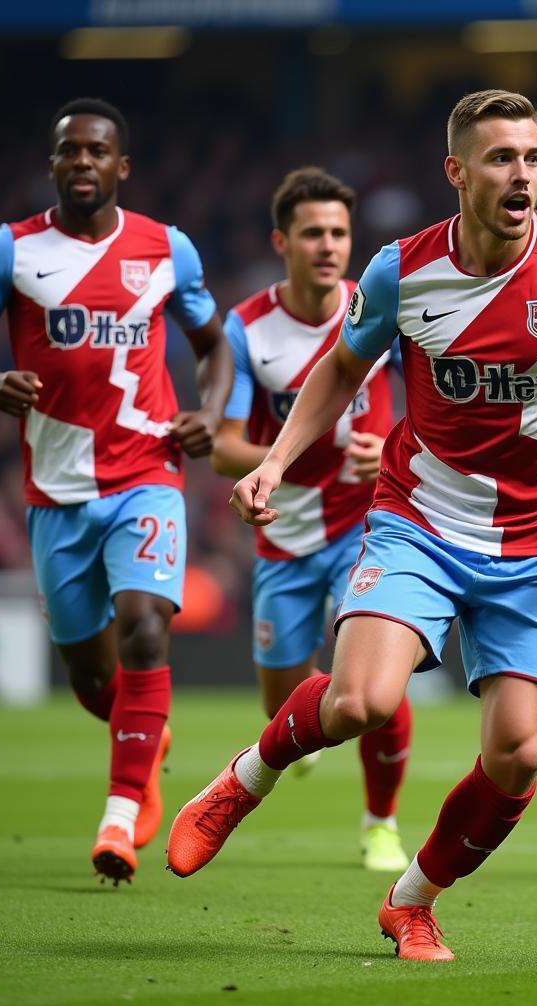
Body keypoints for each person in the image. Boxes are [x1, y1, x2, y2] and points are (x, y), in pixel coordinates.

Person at [167, 88, 537, 960]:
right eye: (499, 158)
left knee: (519, 755)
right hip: (422, 519)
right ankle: (243, 780)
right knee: (361, 700)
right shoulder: (400, 271)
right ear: (457, 172)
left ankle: (412, 900)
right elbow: (339, 370)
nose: (520, 175)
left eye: (531, 158)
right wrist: (274, 461)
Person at [0, 98, 233, 885]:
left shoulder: (166, 249)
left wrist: (207, 416)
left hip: (147, 474)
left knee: (145, 628)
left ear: (123, 166)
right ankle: (143, 737)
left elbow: (213, 348)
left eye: (96, 151)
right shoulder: (11, 252)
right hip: (55, 495)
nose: (82, 162)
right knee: (90, 677)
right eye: (68, 152)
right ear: (52, 165)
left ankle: (120, 813)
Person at [211, 166, 410, 872]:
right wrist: (287, 454)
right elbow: (222, 446)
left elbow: (423, 407)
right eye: (313, 233)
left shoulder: (375, 304)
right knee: (284, 702)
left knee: (386, 687)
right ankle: (305, 723)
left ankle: (381, 822)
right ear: (281, 242)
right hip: (285, 537)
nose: (329, 245)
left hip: (369, 527)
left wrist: (385, 449)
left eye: (339, 232)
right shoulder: (246, 328)